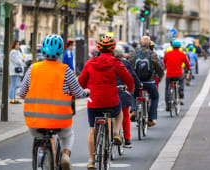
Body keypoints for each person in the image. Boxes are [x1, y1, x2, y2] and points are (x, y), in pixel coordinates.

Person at [19, 34, 90, 170]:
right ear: (60, 52)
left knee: (37, 135)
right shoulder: (65, 71)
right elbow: (79, 93)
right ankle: (65, 155)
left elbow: (21, 94)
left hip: (34, 121)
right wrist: (87, 91)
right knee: (67, 135)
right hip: (60, 119)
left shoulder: (32, 69)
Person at [78, 35, 134, 169]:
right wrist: (130, 89)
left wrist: (86, 89)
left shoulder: (90, 63)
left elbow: (80, 82)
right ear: (112, 48)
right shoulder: (116, 62)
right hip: (111, 100)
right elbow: (128, 78)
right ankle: (115, 132)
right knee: (119, 112)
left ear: (99, 48)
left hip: (94, 101)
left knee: (92, 130)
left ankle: (91, 160)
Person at [128, 36, 164, 127]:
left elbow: (129, 67)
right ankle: (151, 119)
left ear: (140, 44)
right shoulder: (153, 54)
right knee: (155, 97)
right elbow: (159, 68)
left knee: (133, 94)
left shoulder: (133, 54)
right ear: (149, 44)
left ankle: (133, 110)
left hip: (137, 82)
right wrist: (160, 76)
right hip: (149, 82)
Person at [113, 45, 140, 148]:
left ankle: (110, 135)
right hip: (123, 92)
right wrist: (137, 85)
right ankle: (127, 140)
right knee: (125, 114)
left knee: (110, 115)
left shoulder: (108, 63)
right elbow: (133, 76)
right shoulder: (125, 63)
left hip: (111, 92)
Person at [163, 40, 190, 110]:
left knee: (167, 88)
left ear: (172, 46)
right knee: (181, 80)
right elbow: (187, 63)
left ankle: (168, 105)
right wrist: (188, 69)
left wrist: (166, 67)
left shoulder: (168, 53)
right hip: (178, 74)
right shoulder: (182, 54)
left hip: (169, 75)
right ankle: (181, 91)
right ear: (179, 47)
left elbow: (163, 62)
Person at [9, 40, 25, 104]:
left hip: (17, 71)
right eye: (16, 45)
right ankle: (11, 99)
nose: (18, 46)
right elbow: (17, 61)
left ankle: (14, 98)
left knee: (15, 85)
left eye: (18, 44)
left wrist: (22, 59)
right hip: (14, 71)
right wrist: (22, 63)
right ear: (14, 45)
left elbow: (22, 58)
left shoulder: (18, 51)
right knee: (13, 85)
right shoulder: (13, 52)